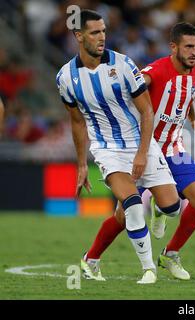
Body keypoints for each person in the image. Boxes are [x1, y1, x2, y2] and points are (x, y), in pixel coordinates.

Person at [56, 9, 181, 284]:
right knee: (134, 206)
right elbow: (76, 121)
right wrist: (80, 165)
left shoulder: (124, 65)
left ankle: (92, 258)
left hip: (141, 144)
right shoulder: (65, 77)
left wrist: (140, 154)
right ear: (79, 36)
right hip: (107, 149)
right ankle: (148, 269)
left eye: (103, 31)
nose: (102, 37)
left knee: (173, 208)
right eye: (94, 32)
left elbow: (146, 111)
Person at [82, 22, 195, 281]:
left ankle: (170, 253)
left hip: (173, 147)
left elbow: (187, 96)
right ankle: (91, 259)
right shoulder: (154, 71)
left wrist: (194, 119)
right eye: (188, 46)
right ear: (173, 47)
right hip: (143, 149)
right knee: (123, 216)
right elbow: (133, 87)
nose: (194, 52)